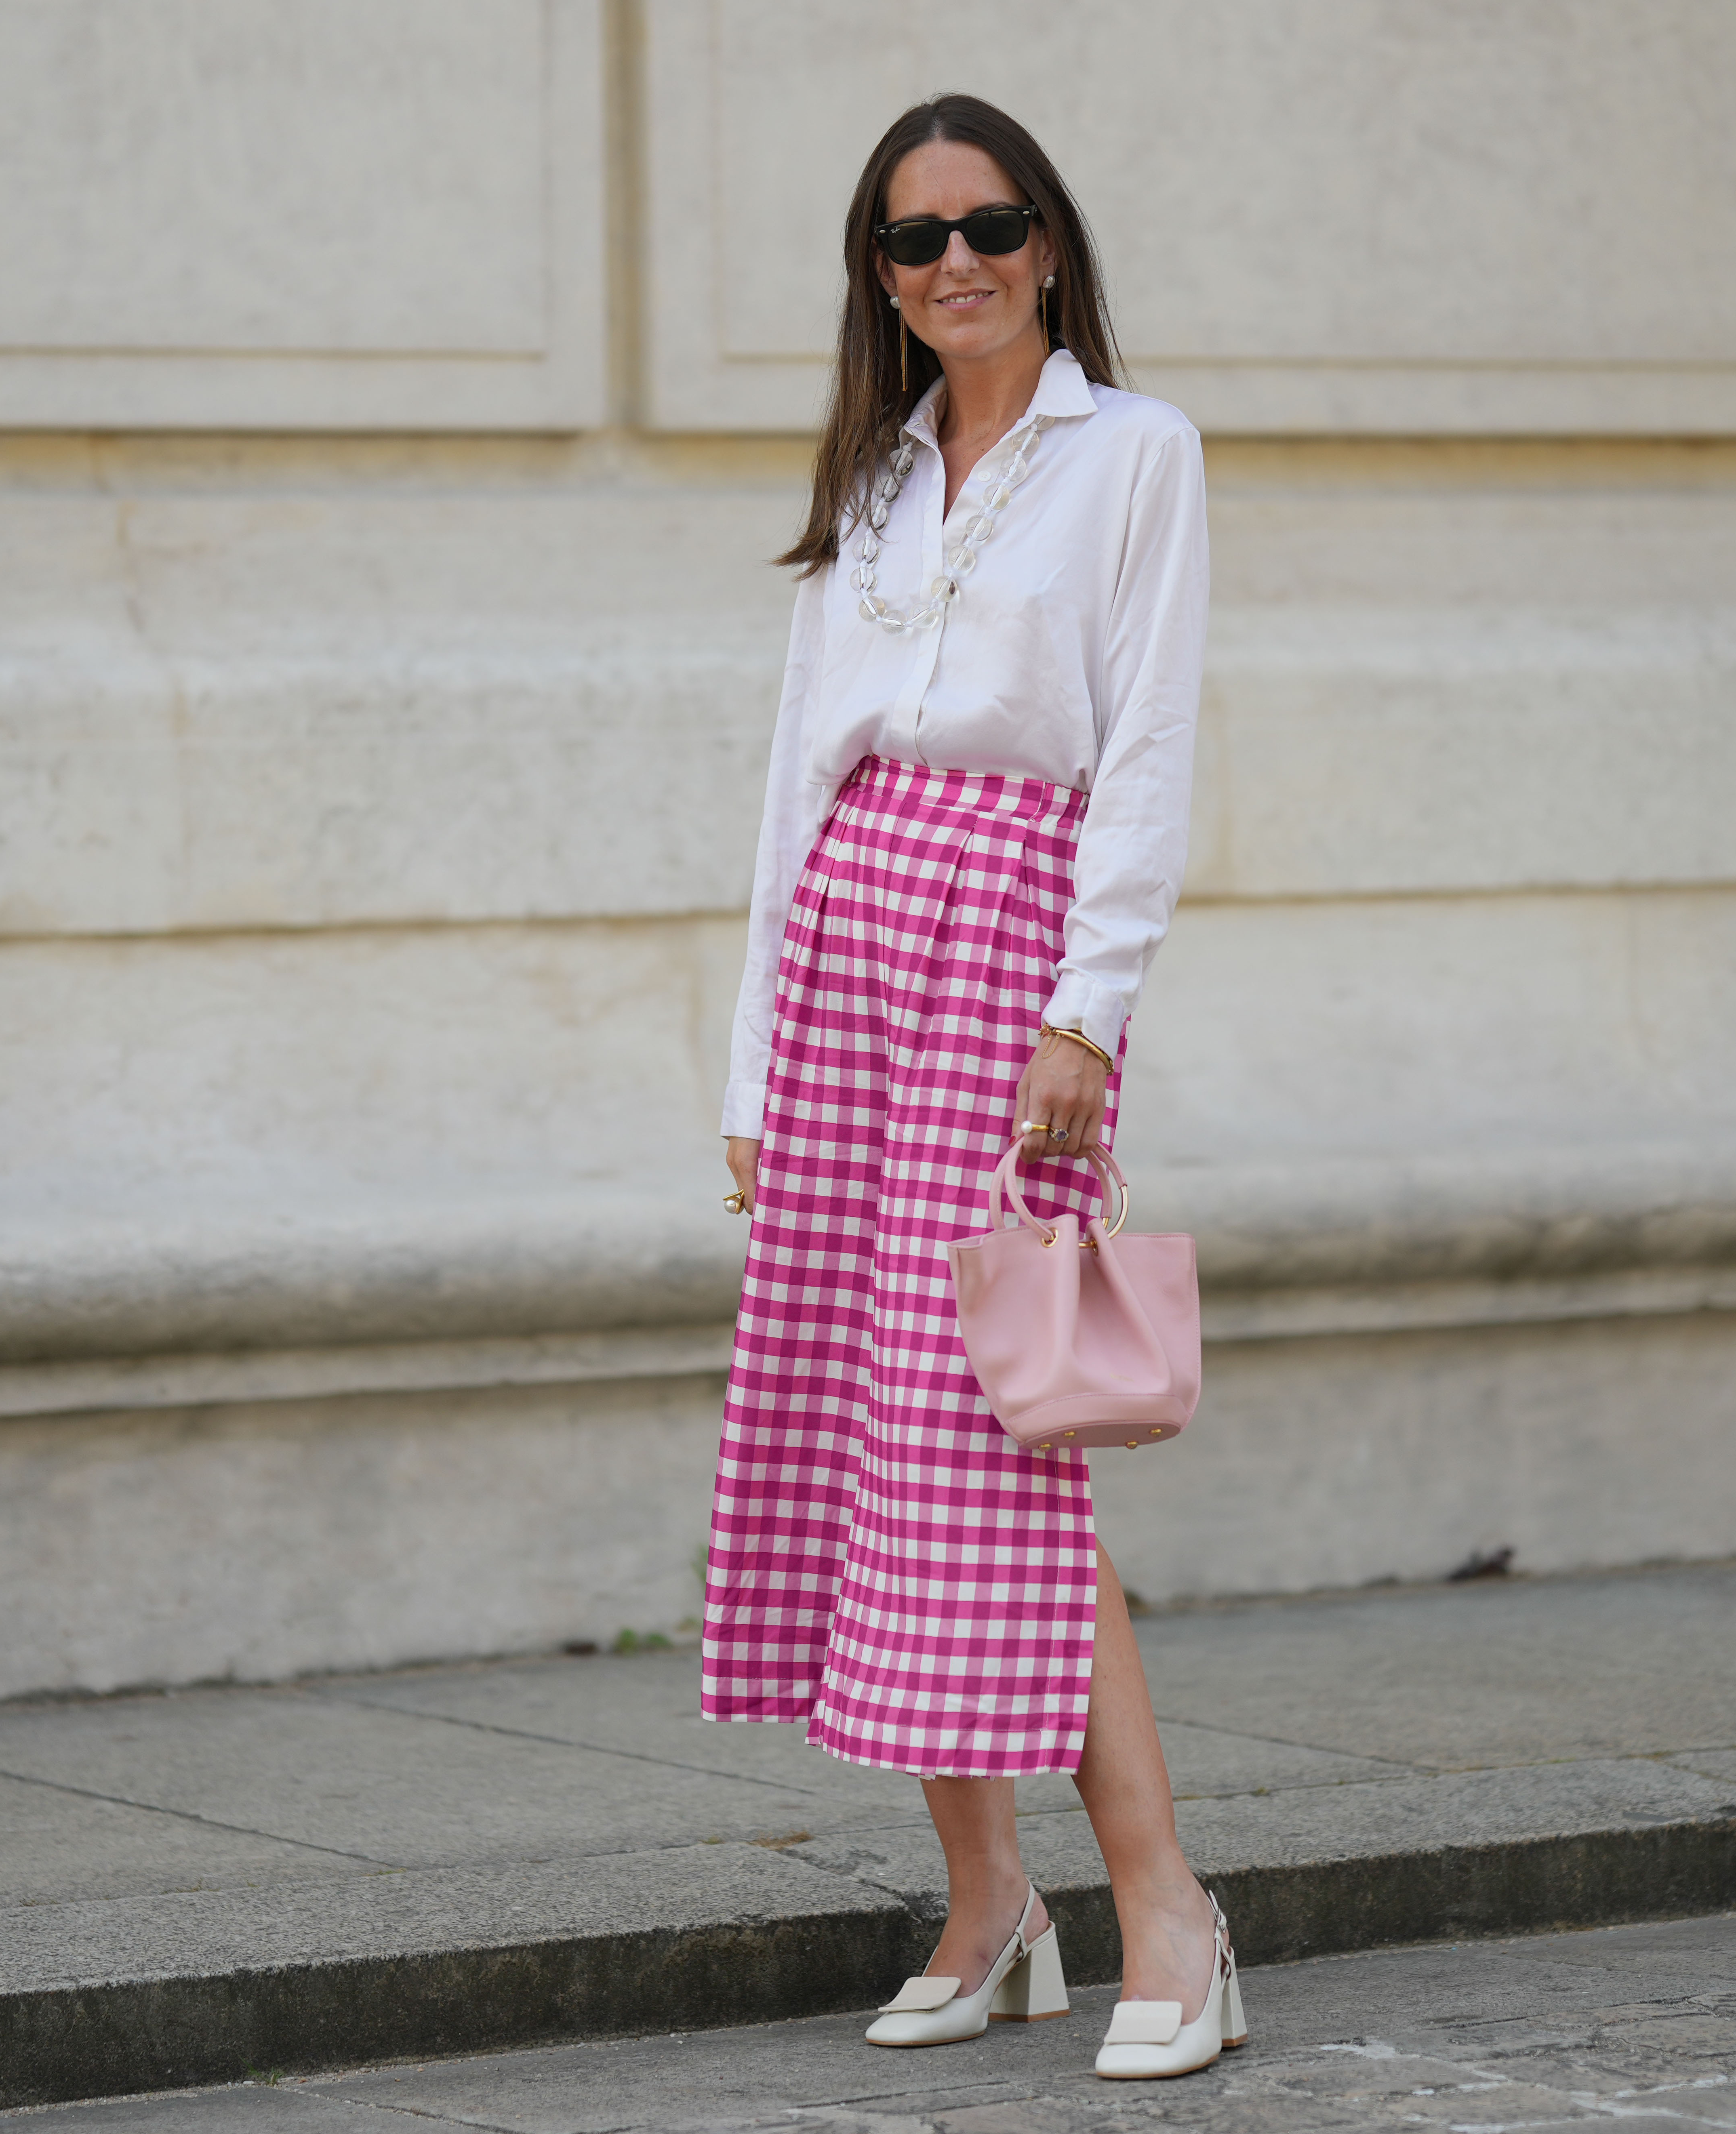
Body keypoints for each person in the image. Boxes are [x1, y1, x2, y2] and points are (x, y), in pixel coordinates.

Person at [699, 94, 1231, 2083]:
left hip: (1012, 934)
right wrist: (752, 1054)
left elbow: (1147, 740)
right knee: (873, 1414)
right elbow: (796, 778)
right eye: (914, 240)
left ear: (1048, 240)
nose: (955, 264)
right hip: (850, 937)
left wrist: (1090, 1009)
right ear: (882, 274)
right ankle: (992, 1904)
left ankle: (1168, 1910)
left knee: (996, 1428)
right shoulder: (873, 471)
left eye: (989, 225)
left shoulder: (1135, 452)